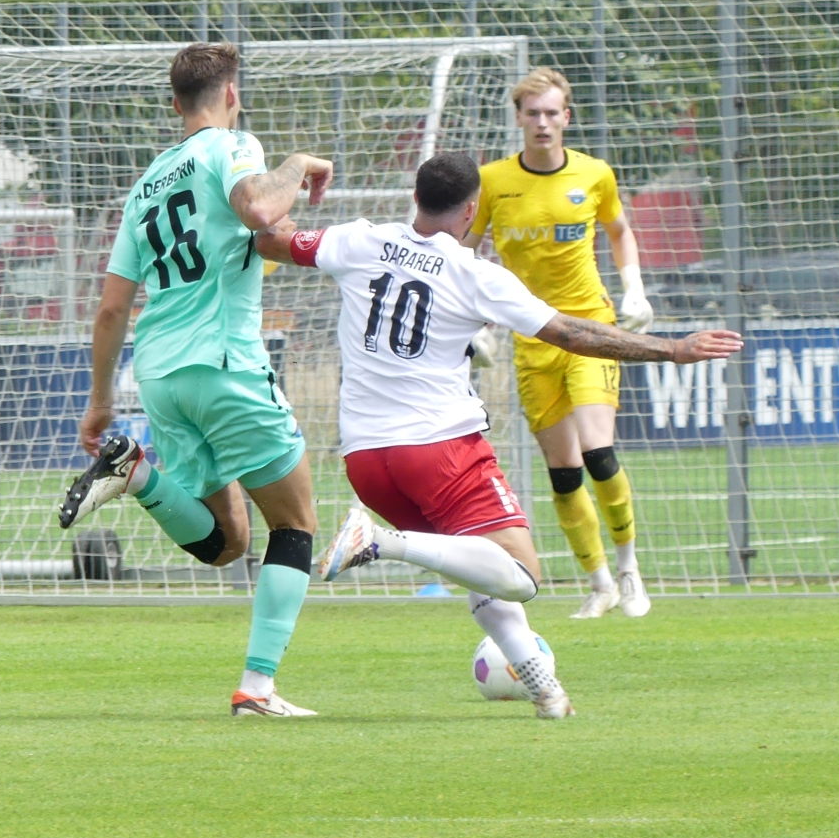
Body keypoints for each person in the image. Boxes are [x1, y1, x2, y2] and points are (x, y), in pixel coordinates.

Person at [257, 150, 741, 718]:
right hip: (439, 449)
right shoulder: (474, 274)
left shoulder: (358, 240)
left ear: (415, 197)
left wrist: (283, 179)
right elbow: (571, 334)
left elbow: (270, 238)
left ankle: (544, 689)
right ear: (472, 210)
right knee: (520, 574)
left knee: (476, 562)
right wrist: (673, 349)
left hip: (366, 460)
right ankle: (380, 543)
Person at [56, 41, 334, 718]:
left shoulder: (145, 187)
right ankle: (258, 688)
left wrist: (99, 403)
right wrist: (298, 164)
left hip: (159, 375)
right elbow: (260, 210)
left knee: (225, 543)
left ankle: (136, 474)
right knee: (295, 523)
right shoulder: (232, 145)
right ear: (231, 95)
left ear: (174, 102)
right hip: (224, 364)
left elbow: (111, 309)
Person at [463, 67, 657, 620]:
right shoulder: (493, 181)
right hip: (532, 337)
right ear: (519, 119)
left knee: (598, 452)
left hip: (590, 328)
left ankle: (630, 569)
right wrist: (476, 323)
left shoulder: (595, 174)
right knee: (565, 471)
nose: (543, 122)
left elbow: (619, 231)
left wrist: (634, 289)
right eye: (533, 113)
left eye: (552, 113)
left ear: (566, 117)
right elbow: (464, 252)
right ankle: (600, 584)